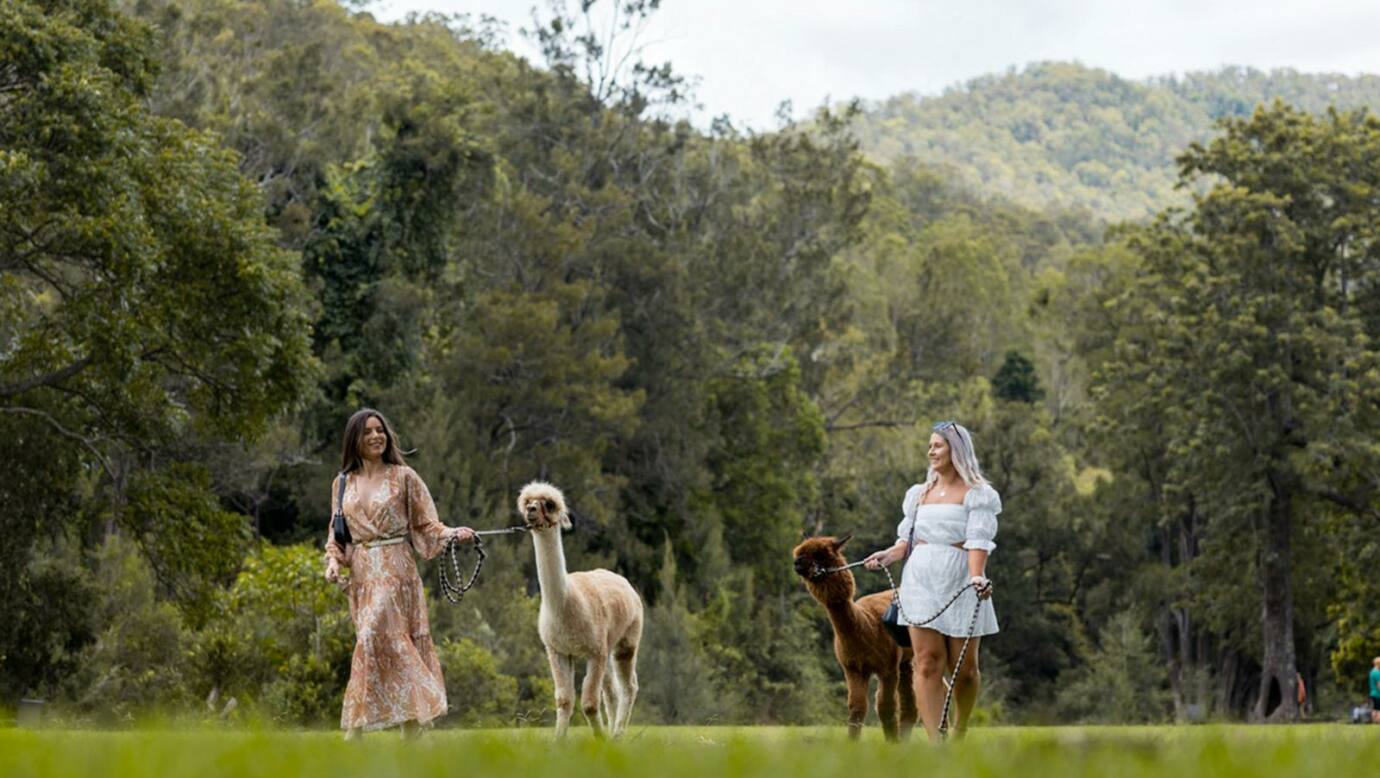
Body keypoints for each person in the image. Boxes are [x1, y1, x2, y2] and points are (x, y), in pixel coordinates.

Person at [323, 409, 476, 739]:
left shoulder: (404, 477)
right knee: (384, 644)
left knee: (373, 639)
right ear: (355, 440)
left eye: (381, 431)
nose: (377, 436)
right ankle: (412, 726)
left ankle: (355, 729)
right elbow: (337, 535)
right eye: (368, 432)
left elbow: (426, 524)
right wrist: (333, 563)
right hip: (363, 575)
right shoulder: (342, 484)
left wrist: (452, 533)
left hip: (397, 569)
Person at [864, 421, 999, 740]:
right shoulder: (918, 495)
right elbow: (907, 540)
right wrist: (889, 554)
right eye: (930, 445)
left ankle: (960, 729)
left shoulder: (977, 494)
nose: (931, 451)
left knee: (964, 671)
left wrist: (977, 575)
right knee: (926, 663)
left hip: (961, 579)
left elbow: (978, 540)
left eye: (938, 445)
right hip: (920, 580)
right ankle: (937, 744)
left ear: (957, 450)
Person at [1369, 657, 1380, 724]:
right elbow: (1379, 685)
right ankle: (1379, 723)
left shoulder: (1372, 672)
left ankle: (1374, 722)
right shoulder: (1378, 673)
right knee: (1379, 710)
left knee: (1375, 709)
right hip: (1378, 694)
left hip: (1373, 693)